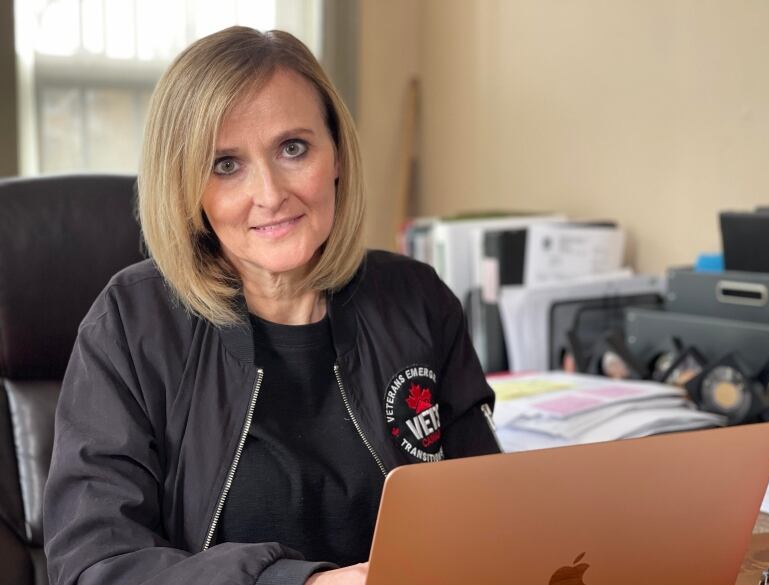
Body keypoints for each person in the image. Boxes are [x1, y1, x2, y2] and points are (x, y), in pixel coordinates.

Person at [43, 26, 500, 585]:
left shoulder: (416, 299)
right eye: (225, 164)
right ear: (188, 188)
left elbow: (489, 512)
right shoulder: (130, 325)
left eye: (293, 148)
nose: (270, 193)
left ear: (335, 155)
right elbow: (96, 565)